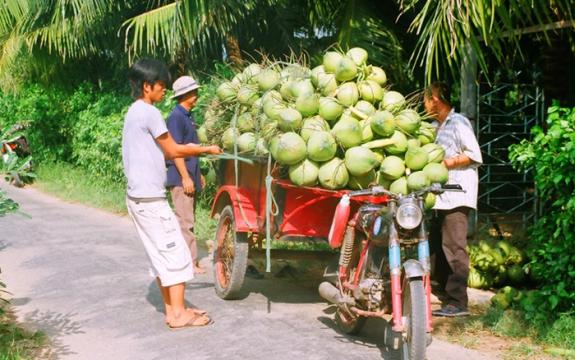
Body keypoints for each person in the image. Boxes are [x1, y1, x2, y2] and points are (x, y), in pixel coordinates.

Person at [122, 58, 222, 329]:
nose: (164, 90)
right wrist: (206, 149)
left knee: (160, 257)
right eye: (161, 85)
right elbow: (174, 150)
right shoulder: (150, 113)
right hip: (150, 200)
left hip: (139, 197)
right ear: (147, 86)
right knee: (176, 254)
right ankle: (178, 316)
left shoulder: (134, 111)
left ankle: (174, 309)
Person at [423, 81, 483, 317]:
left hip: (457, 194)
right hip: (439, 196)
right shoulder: (433, 126)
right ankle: (442, 292)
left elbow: (473, 155)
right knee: (437, 244)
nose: (424, 104)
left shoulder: (459, 123)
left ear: (435, 99)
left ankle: (458, 302)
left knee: (454, 246)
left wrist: (444, 163)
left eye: (426, 99)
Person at [166, 75, 206, 275]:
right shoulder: (176, 117)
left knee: (189, 220)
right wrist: (185, 177)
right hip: (181, 178)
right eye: (193, 92)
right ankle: (189, 263)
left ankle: (191, 261)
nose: (196, 96)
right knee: (185, 222)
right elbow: (175, 151)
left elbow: (191, 151)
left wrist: (198, 174)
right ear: (185, 95)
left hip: (190, 175)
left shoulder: (188, 117)